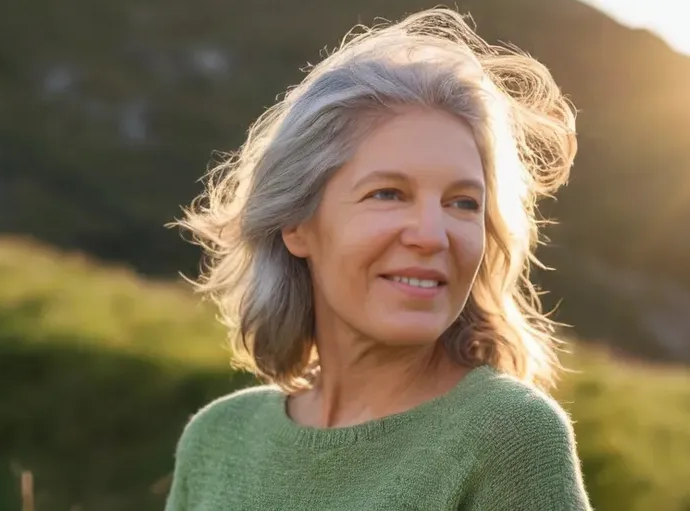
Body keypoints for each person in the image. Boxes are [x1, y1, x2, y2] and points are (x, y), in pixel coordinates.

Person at [165, 7, 590, 510]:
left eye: (462, 203)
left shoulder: (509, 437)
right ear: (297, 224)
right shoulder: (217, 439)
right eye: (388, 193)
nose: (433, 235)